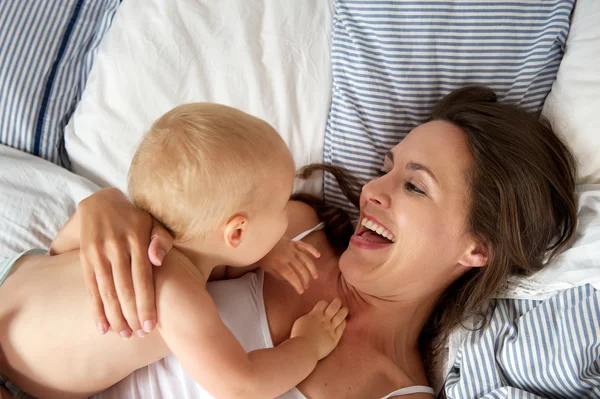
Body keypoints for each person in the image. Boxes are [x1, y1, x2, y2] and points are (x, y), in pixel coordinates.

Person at [0, 103, 349, 399]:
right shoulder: (178, 296)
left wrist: (262, 252)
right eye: (281, 207)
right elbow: (242, 384)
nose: (287, 213)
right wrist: (306, 346)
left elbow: (60, 250)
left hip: (15, 281)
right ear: (236, 232)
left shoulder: (136, 231)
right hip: (21, 371)